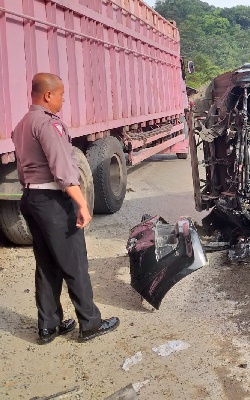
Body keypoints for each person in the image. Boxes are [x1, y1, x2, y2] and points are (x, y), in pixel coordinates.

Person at [12, 73, 119, 344]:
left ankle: (49, 325)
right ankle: (90, 324)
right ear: (47, 95)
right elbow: (62, 169)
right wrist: (82, 203)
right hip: (52, 202)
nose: (62, 100)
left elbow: (24, 170)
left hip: (31, 199)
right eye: (61, 95)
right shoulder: (48, 124)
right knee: (75, 262)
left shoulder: (22, 124)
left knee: (47, 264)